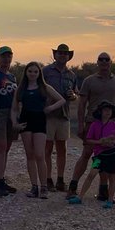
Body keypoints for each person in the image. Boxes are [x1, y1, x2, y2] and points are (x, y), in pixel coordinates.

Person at [69, 52, 115, 199]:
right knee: (86, 154)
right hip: (93, 123)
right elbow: (82, 104)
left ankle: (103, 190)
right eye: (101, 59)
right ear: (97, 62)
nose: (104, 62)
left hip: (112, 124)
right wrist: (81, 125)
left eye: (106, 59)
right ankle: (73, 186)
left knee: (106, 156)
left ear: (110, 62)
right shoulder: (89, 81)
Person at [12, 61, 68, 198]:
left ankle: (44, 187)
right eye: (30, 71)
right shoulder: (21, 88)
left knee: (39, 154)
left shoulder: (44, 87)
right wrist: (15, 123)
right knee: (29, 155)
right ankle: (34, 187)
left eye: (35, 72)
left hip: (40, 121)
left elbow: (61, 100)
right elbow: (14, 108)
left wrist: (50, 108)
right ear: (26, 72)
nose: (32, 74)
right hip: (25, 122)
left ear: (39, 73)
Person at [42, 43, 81, 193]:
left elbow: (76, 94)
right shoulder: (45, 72)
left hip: (64, 115)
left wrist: (74, 96)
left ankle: (60, 179)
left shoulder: (71, 75)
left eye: (65, 54)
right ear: (55, 55)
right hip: (48, 115)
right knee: (47, 148)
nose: (62, 55)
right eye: (60, 53)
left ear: (68, 56)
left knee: (62, 149)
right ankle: (47, 179)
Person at [72, 100, 115, 208]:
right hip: (99, 155)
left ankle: (110, 201)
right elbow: (88, 140)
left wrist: (113, 142)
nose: (108, 112)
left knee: (112, 177)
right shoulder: (95, 125)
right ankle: (80, 197)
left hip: (111, 155)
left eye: (109, 110)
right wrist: (100, 142)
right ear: (100, 112)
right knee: (92, 174)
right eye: (105, 110)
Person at [0, 46, 19, 195]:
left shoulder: (12, 77)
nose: (6, 59)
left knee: (6, 147)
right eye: (3, 56)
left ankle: (1, 179)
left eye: (9, 56)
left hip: (11, 113)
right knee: (0, 145)